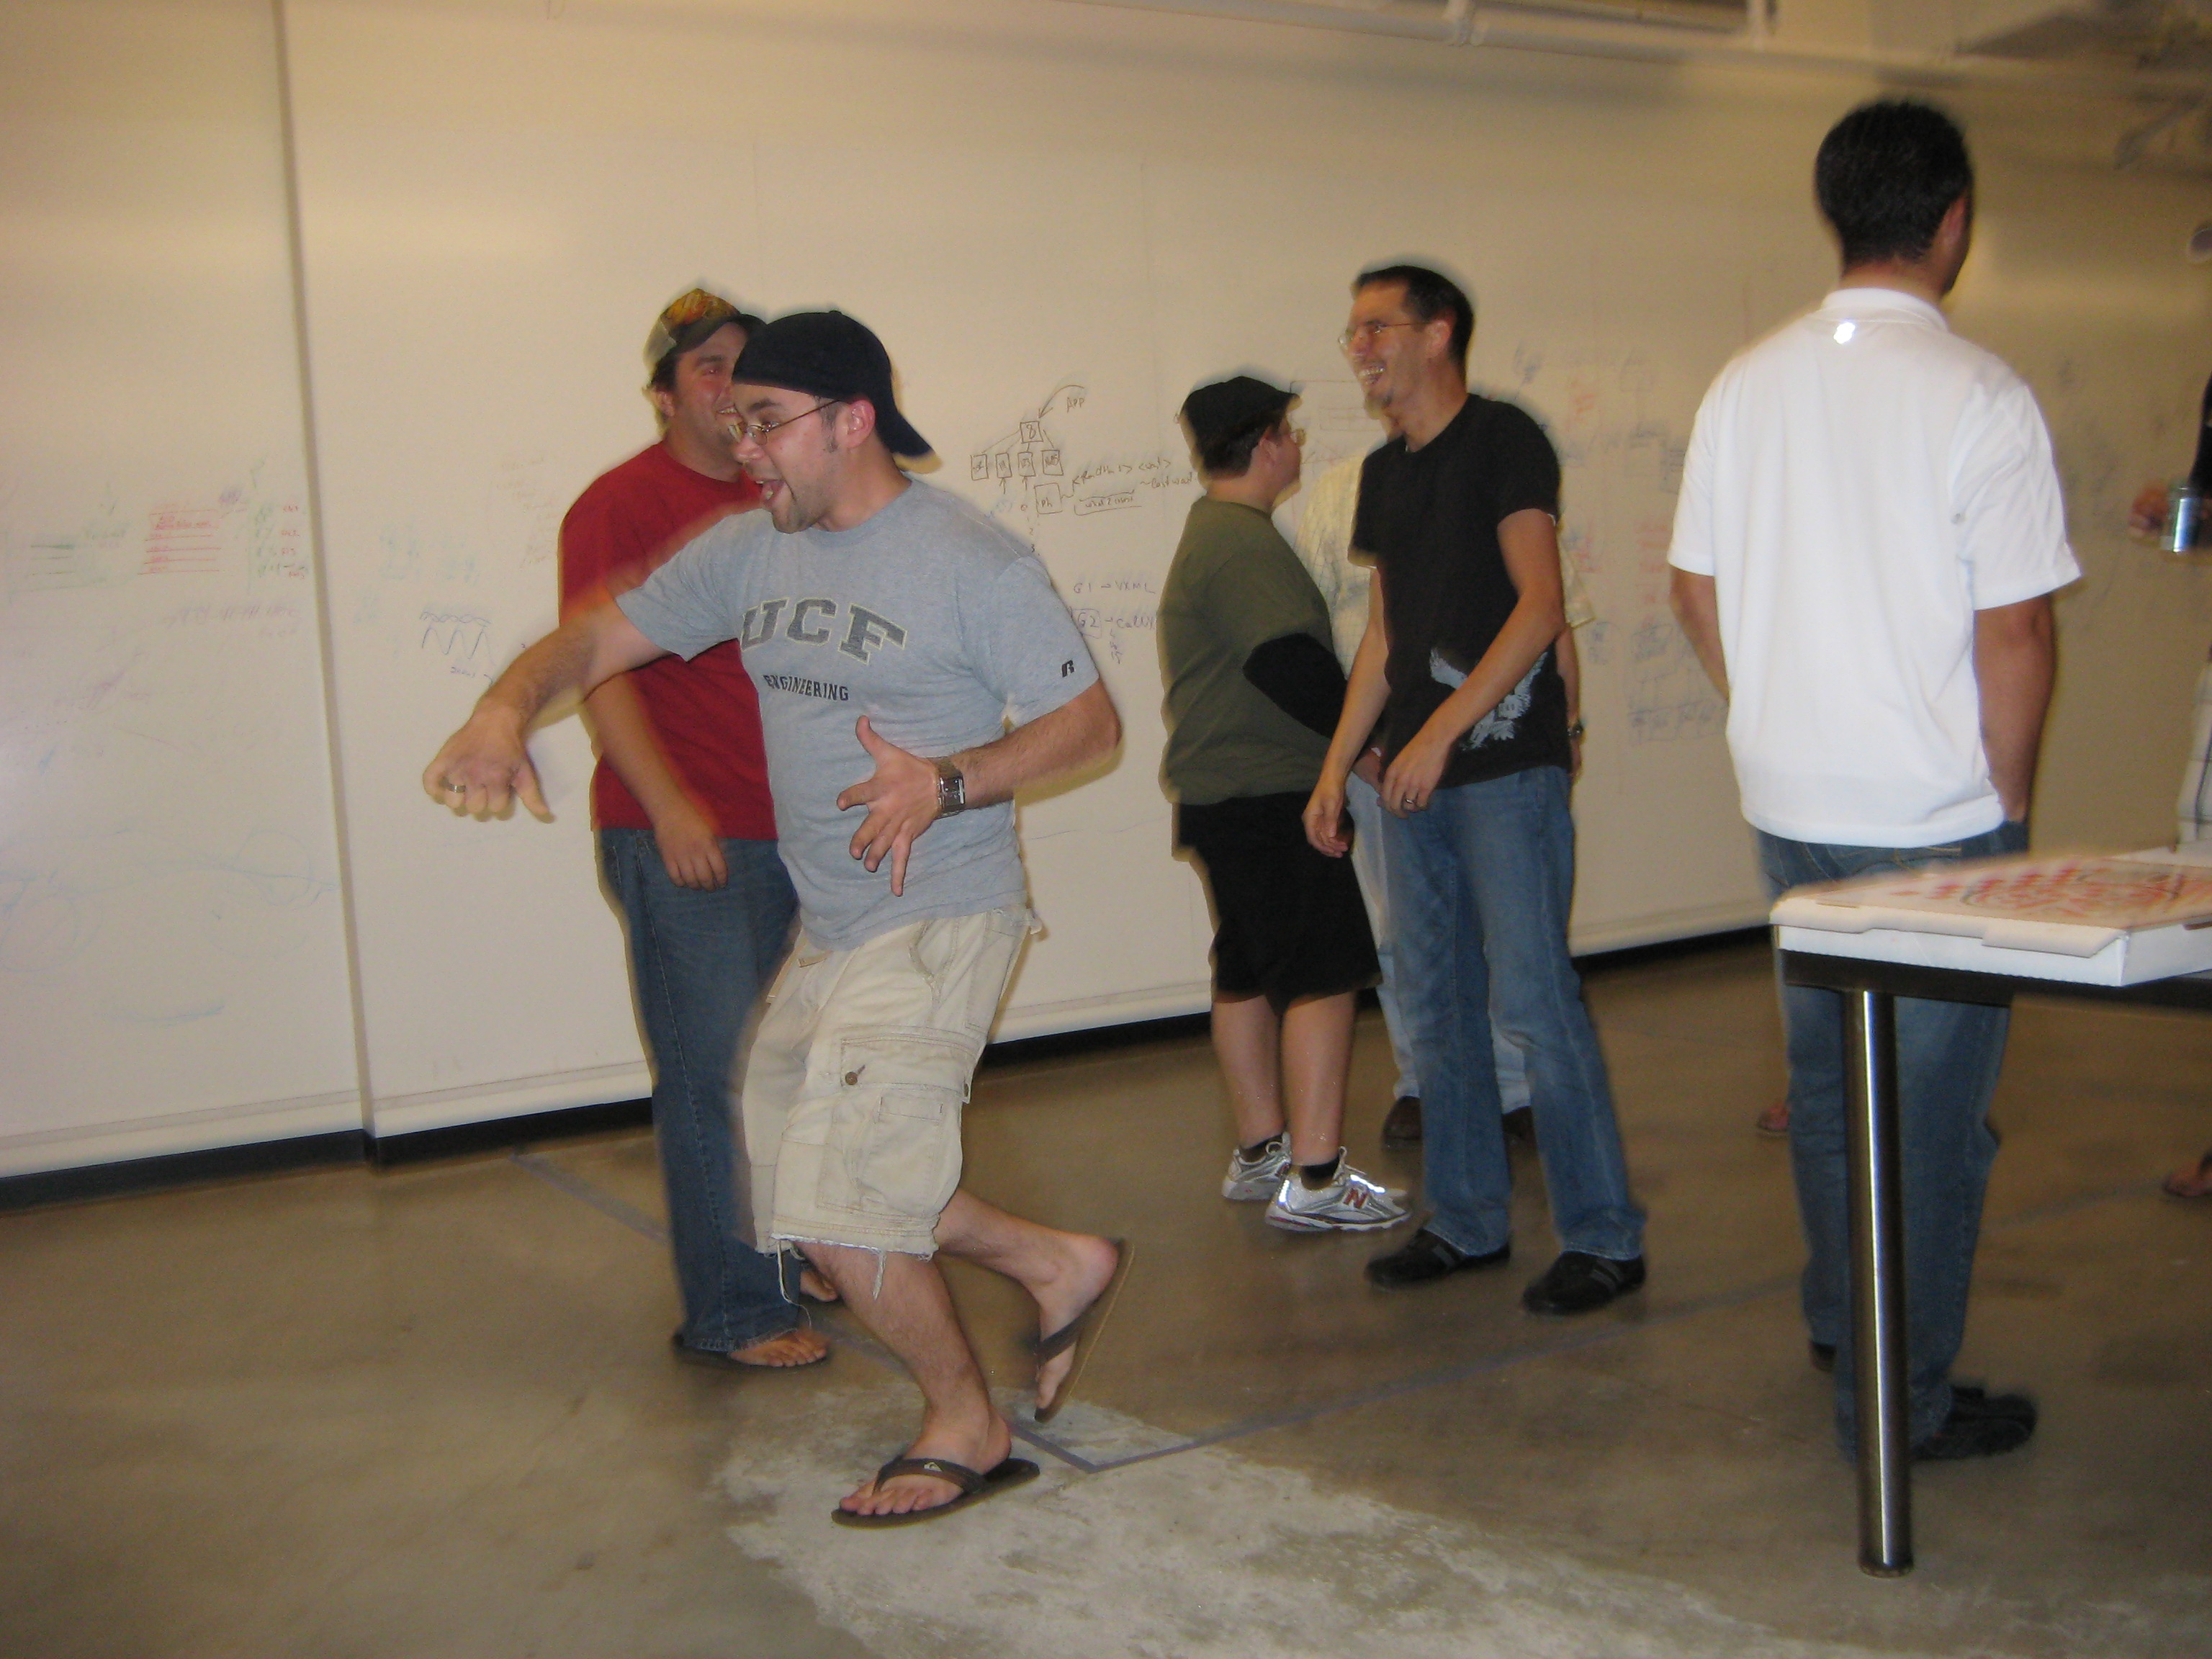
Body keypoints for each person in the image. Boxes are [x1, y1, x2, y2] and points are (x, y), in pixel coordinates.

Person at [425, 310, 1127, 1526]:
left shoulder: (969, 559)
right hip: (835, 923)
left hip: (939, 914)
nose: (741, 445)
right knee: (790, 1182)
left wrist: (947, 780)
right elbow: (594, 637)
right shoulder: (752, 552)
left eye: (764, 422)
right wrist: (501, 710)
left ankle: (966, 1419)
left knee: (844, 1207)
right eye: (734, 420)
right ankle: (1052, 1259)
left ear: (851, 420)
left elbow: (1091, 725)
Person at [1668, 99, 2076, 1460]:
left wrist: (1775, 711)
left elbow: (1693, 588)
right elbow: (2017, 630)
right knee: (1934, 1126)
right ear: (1952, 224)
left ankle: (1847, 1320)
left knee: (1833, 1094)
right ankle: (1898, 1405)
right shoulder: (1979, 395)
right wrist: (2005, 807)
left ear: (1835, 214)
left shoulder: (1746, 384)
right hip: (1937, 818)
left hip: (1792, 807)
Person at [1304, 264, 1647, 1316]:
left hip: (1501, 772)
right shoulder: (1382, 475)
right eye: (1353, 332)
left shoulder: (1505, 440)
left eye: (1379, 326)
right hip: (1413, 784)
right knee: (1437, 1004)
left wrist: (1441, 734)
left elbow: (1539, 608)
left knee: (1533, 1002)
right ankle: (1465, 1221)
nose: (1361, 348)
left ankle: (1604, 1237)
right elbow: (1385, 637)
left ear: (1439, 332)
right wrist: (1335, 768)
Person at [560, 288, 825, 1372]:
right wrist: (670, 805)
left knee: (794, 1070)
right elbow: (597, 669)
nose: (729, 385)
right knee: (713, 1078)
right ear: (664, 393)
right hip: (687, 837)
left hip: (798, 832)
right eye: (706, 366)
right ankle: (737, 1311)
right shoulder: (620, 504)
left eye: (744, 366)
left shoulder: (782, 501)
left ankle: (792, 1254)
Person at [1293, 440, 1596, 1151]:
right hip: (1387, 760)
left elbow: (1553, 618)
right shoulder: (1339, 497)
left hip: (1500, 755)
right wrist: (1349, 759)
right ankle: (1424, 1085)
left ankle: (1518, 1090)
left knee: (1510, 934)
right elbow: (1341, 639)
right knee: (1406, 938)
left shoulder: (1500, 474)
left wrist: (1569, 726)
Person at [1158, 374, 1405, 1233]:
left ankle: (1263, 1152)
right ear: (1265, 444)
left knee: (1248, 971)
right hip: (1267, 793)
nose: (1298, 445)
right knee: (1323, 972)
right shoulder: (1240, 544)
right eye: (1290, 432)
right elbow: (1288, 667)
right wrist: (1365, 753)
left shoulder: (1218, 532)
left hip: (1226, 795)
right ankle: (1318, 1178)